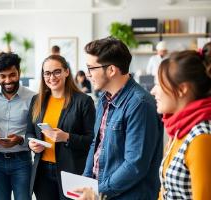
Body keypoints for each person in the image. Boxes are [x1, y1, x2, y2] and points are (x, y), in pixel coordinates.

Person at [82, 37, 163, 199]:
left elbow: (135, 165)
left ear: (111, 70)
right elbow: (96, 144)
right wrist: (85, 182)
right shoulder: (103, 99)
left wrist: (98, 191)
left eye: (91, 68)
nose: (88, 74)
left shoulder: (140, 104)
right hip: (104, 192)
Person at [26, 55, 95, 200]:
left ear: (66, 72)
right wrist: (31, 143)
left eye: (57, 71)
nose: (52, 77)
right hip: (42, 171)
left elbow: (92, 141)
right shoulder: (37, 100)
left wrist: (66, 137)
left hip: (71, 171)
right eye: (47, 73)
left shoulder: (83, 101)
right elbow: (29, 132)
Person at [150, 50, 211, 199]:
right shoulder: (179, 129)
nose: (152, 91)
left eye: (158, 84)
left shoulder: (201, 139)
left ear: (182, 89)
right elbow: (165, 191)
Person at [0, 52, 35, 200]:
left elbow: (36, 132)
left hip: (22, 161)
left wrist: (20, 139)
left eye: (12, 75)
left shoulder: (32, 98)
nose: (8, 80)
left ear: (19, 73)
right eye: (3, 76)